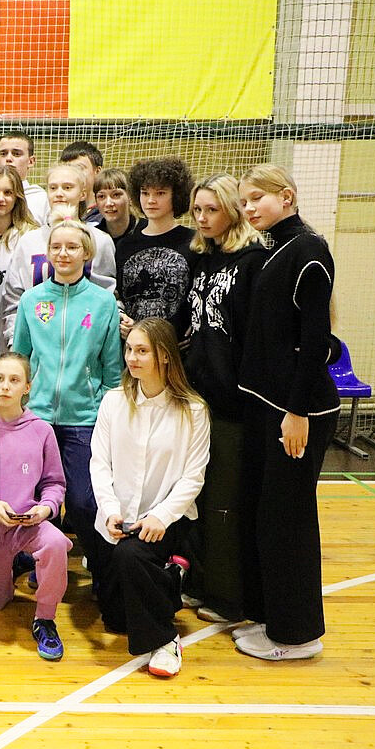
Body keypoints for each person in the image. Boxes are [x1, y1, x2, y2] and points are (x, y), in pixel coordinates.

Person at [233, 164, 338, 661]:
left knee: (288, 521)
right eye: (244, 201)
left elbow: (316, 339)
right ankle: (273, 619)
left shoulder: (308, 250)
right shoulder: (274, 249)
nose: (249, 207)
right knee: (266, 517)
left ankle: (297, 636)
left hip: (296, 412)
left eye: (257, 198)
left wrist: (297, 412)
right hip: (267, 406)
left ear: (287, 196)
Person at [90, 318, 210, 678]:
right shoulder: (113, 403)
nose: (132, 358)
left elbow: (193, 477)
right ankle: (171, 580)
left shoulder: (193, 410)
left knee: (130, 556)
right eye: (130, 349)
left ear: (165, 356)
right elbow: (99, 464)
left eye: (142, 351)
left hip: (166, 522)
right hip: (118, 520)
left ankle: (166, 640)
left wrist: (160, 516)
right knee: (116, 618)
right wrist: (110, 511)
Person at [13, 209, 122, 593]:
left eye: (72, 247)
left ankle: (103, 573)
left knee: (82, 502)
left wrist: (104, 410)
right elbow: (19, 360)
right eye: (56, 247)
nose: (63, 253)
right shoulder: (31, 300)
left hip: (83, 418)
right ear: (48, 253)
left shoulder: (103, 303)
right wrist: (20, 410)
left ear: (86, 253)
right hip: (38, 417)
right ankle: (39, 564)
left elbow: (112, 368)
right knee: (37, 500)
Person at [181, 173, 267, 624]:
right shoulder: (203, 258)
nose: (202, 218)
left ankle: (229, 597)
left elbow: (256, 337)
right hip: (198, 397)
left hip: (233, 405)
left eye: (212, 209)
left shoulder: (253, 261)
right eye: (197, 210)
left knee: (224, 503)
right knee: (197, 496)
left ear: (233, 210)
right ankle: (199, 582)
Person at [0, 352, 70, 660]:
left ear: (27, 387)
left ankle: (45, 619)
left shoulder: (42, 431)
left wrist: (46, 508)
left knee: (55, 543)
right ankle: (15, 564)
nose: (5, 386)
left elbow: (55, 483)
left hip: (29, 525)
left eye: (14, 380)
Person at [0, 163, 117, 347]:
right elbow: (14, 300)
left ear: (83, 194)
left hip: (84, 344)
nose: (59, 193)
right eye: (53, 188)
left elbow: (107, 297)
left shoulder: (100, 241)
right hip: (37, 345)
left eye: (67, 187)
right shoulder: (28, 241)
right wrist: (15, 343)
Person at [116, 157, 195, 336]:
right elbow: (120, 296)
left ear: (176, 195)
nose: (151, 200)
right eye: (145, 193)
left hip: (176, 346)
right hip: (136, 344)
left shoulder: (194, 242)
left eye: (160, 193)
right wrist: (123, 320)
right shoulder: (125, 246)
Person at [0, 165, 39, 363]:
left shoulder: (30, 237)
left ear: (18, 197)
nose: (0, 198)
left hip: (16, 335)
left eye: (8, 192)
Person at [0, 130, 49, 225]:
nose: (8, 159)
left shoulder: (42, 199)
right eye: (3, 154)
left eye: (16, 154)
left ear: (31, 161)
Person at [93, 167, 140, 245]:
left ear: (130, 196)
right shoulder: (92, 237)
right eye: (101, 196)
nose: (108, 203)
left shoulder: (146, 231)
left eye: (116, 195)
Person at [60, 141, 104, 224]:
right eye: (68, 169)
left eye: (79, 168)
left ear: (97, 171)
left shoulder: (107, 213)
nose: (73, 174)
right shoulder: (56, 211)